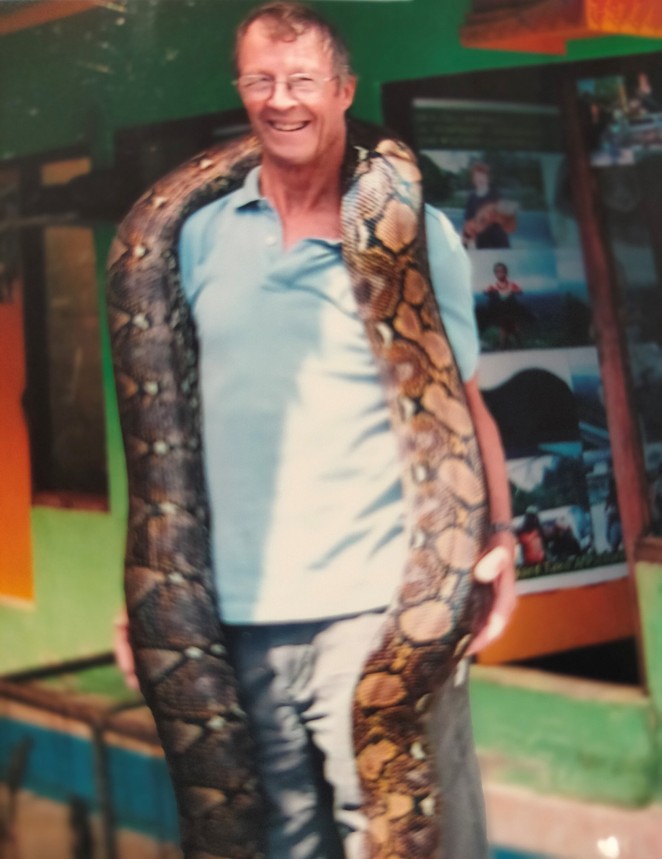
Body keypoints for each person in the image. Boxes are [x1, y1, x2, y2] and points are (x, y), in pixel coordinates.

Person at [114, 4, 516, 858]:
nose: (280, 100)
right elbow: (170, 429)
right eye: (260, 80)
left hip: (381, 605)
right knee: (279, 841)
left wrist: (504, 535)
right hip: (237, 611)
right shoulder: (198, 239)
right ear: (240, 90)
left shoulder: (419, 236)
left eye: (301, 81)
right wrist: (147, 596)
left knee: (399, 836)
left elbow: (465, 403)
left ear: (343, 90)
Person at [462, 162, 515, 250]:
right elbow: (468, 223)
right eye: (477, 177)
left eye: (482, 176)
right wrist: (464, 244)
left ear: (487, 178)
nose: (480, 179)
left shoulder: (496, 196)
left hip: (499, 242)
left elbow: (507, 220)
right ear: (473, 179)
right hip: (482, 243)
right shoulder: (471, 199)